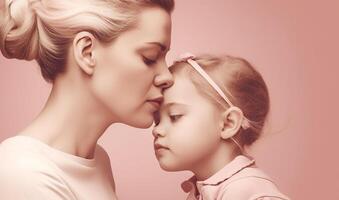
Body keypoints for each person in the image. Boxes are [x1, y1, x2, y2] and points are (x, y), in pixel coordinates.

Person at [0, 0, 174, 199]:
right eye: (150, 57)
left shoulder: (98, 161)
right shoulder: (22, 173)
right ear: (87, 52)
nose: (167, 77)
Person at [152, 53, 290, 200]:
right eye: (157, 120)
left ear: (228, 123)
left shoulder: (246, 191)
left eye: (174, 116)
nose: (156, 130)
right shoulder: (204, 191)